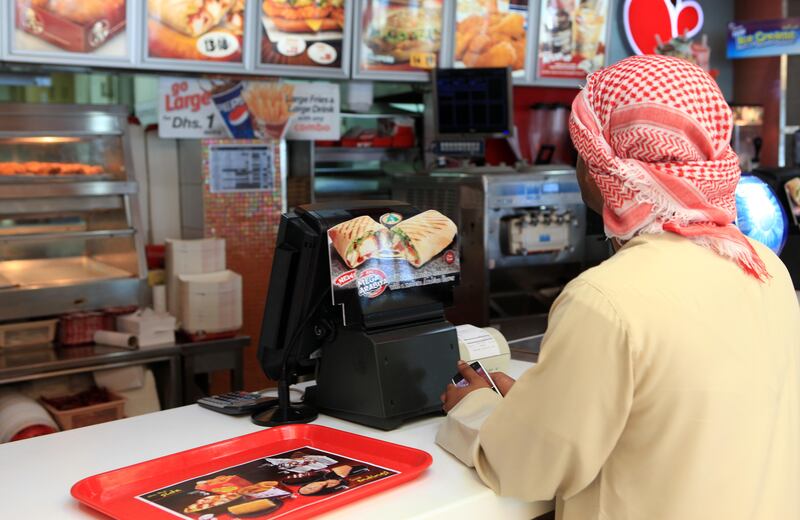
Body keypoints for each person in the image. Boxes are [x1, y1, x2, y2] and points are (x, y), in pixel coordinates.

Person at [436, 55, 800, 519]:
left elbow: (526, 468)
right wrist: (533, 405)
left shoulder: (606, 299)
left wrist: (476, 407)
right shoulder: (763, 263)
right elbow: (675, 414)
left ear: (598, 167)